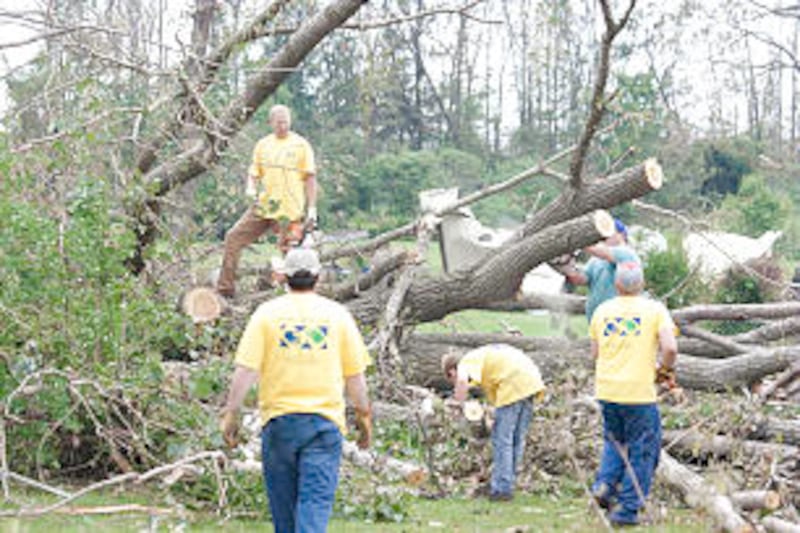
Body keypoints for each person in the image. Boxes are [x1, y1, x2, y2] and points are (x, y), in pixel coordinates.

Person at [219, 248, 372, 533]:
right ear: (318, 276)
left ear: (284, 277)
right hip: (323, 426)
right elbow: (355, 377)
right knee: (314, 505)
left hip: (279, 424)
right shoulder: (337, 316)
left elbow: (246, 371)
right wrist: (364, 417)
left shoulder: (266, 314)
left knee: (284, 513)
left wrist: (232, 414)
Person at [589, 261, 678, 526]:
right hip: (638, 392)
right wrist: (663, 370)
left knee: (615, 443)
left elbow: (594, 353)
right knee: (643, 451)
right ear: (642, 283)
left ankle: (604, 487)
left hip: (607, 389)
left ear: (616, 284)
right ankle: (627, 510)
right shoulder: (654, 310)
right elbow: (670, 348)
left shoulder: (602, 311)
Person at [217, 104, 317, 298]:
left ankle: (296, 295)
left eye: (286, 121)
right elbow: (253, 173)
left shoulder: (300, 145)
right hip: (263, 206)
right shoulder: (263, 145)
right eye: (278, 122)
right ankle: (225, 290)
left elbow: (310, 177)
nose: (282, 126)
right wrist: (250, 189)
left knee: (292, 254)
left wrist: (312, 208)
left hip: (289, 210)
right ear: (271, 123)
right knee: (233, 238)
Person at [441, 344, 546, 501]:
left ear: (452, 371)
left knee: (501, 439)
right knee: (516, 439)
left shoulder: (466, 362)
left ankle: (501, 489)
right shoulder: (482, 358)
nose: (455, 383)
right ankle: (509, 482)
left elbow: (462, 382)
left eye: (452, 380)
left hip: (512, 384)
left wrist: (458, 404)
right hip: (530, 382)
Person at [561, 218, 641, 321]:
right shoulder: (596, 259)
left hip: (619, 319)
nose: (603, 236)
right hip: (597, 320)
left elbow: (601, 251)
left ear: (621, 235)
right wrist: (565, 266)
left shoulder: (626, 253)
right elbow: (582, 279)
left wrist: (576, 241)